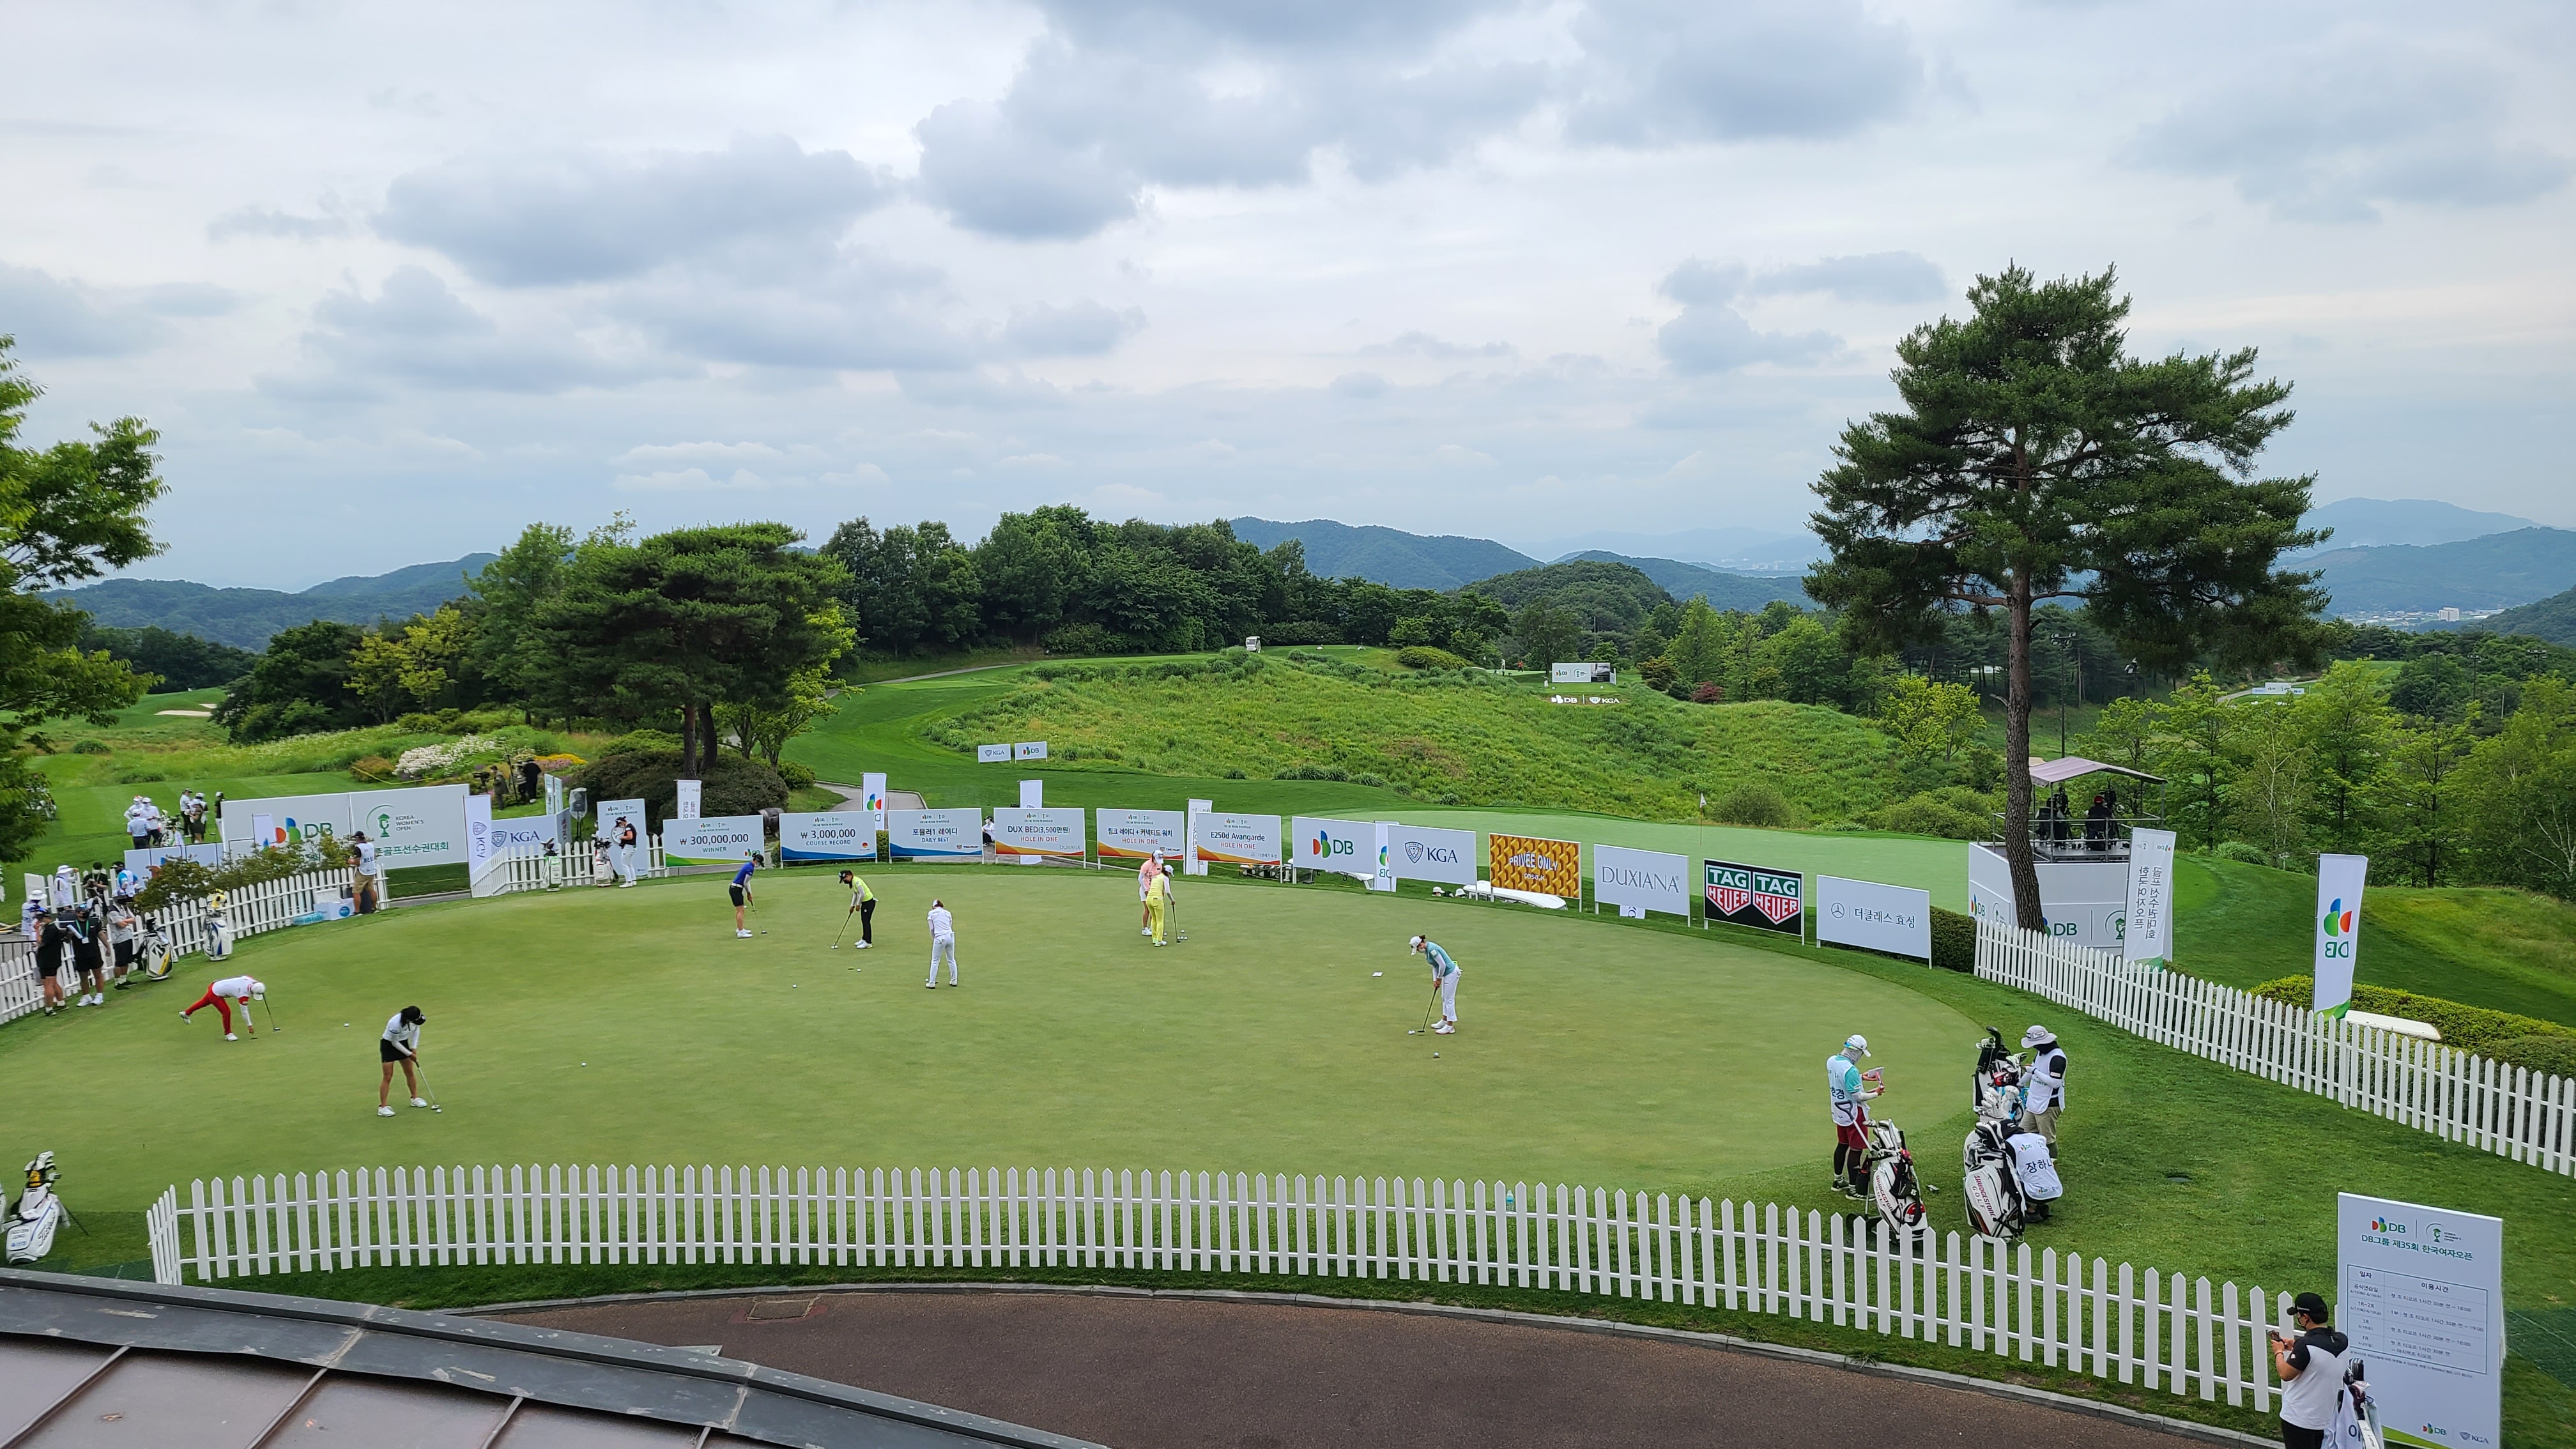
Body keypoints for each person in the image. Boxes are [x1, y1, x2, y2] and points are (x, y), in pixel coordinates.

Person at [2269, 1291, 2350, 1449]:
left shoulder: (2305, 1345)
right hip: (2324, 1417)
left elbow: (2285, 1374)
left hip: (2297, 1418)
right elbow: (2320, 1357)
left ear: (2305, 1318)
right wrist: (2296, 1346)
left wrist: (2279, 1352)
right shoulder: (2342, 1341)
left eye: (2298, 1315)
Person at [1827, 1034, 1884, 1200]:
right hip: (1854, 1113)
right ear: (1857, 1052)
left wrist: (1861, 1077)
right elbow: (1858, 1096)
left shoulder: (1832, 1061)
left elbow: (1842, 1079)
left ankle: (1838, 1181)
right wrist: (1875, 1093)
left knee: (1842, 1144)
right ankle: (1854, 1190)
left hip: (1839, 1111)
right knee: (1856, 1149)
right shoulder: (1851, 1070)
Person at [2018, 1024, 2067, 1152]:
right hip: (2034, 1102)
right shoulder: (2041, 1053)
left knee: (2047, 1139)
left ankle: (2051, 1161)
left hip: (2049, 1104)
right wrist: (2020, 1084)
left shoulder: (2057, 1058)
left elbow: (2055, 1083)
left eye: (2036, 1044)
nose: (2034, 1047)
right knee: (2023, 1133)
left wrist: (2035, 1071)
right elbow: (2032, 1069)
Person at [180, 973, 264, 1041]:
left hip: (215, 985)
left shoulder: (250, 979)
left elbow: (253, 982)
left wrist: (260, 989)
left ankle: (186, 1013)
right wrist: (249, 1025)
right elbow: (244, 1012)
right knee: (226, 1012)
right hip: (215, 993)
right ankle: (228, 1034)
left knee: (203, 1003)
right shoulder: (243, 995)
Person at [377, 1006, 429, 1116]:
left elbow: (416, 1031)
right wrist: (409, 1054)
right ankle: (383, 1107)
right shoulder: (395, 1023)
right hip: (389, 1045)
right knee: (388, 1076)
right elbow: (394, 1043)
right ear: (409, 1019)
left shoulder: (415, 1018)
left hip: (403, 1043)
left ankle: (415, 1098)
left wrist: (414, 1049)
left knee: (409, 1072)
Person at [1409, 934, 1461, 1033]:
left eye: (1418, 948)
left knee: (1449, 999)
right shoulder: (1427, 952)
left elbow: (1442, 965)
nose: (1419, 951)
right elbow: (1435, 966)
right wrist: (1435, 980)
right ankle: (1444, 1020)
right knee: (1444, 998)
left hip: (1452, 973)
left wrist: (1439, 978)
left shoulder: (1432, 950)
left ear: (1421, 944)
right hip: (1446, 974)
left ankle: (1450, 1026)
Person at [66, 908, 107, 1008]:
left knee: (98, 974)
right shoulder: (72, 925)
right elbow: (67, 941)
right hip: (80, 954)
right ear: (77, 914)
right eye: (83, 912)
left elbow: (101, 935)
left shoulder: (94, 922)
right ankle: (86, 996)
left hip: (94, 952)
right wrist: (69, 935)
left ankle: (99, 995)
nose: (86, 914)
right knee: (83, 976)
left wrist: (108, 947)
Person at [33, 908, 70, 1015]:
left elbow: (41, 943)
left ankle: (49, 1008)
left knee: (48, 984)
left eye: (40, 919)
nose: (39, 921)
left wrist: (37, 931)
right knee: (53, 982)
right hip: (52, 959)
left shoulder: (51, 929)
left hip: (48, 960)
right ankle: (61, 1003)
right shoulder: (51, 928)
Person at [106, 894, 139, 993]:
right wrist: (126, 921)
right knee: (120, 962)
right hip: (119, 939)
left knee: (126, 960)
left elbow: (133, 919)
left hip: (127, 936)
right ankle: (117, 982)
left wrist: (125, 920)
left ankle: (123, 979)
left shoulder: (124, 908)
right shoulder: (112, 911)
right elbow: (121, 924)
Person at [925, 898, 958, 988]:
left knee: (935, 960)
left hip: (940, 938)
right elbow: (950, 926)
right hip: (950, 937)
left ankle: (932, 983)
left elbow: (932, 929)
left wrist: (934, 938)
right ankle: (954, 980)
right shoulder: (948, 913)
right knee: (951, 959)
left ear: (933, 907)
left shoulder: (931, 914)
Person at [839, 869, 875, 947]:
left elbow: (862, 894)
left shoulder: (856, 881)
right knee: (864, 921)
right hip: (865, 903)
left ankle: (868, 943)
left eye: (845, 879)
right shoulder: (853, 882)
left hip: (869, 902)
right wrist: (852, 906)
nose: (845, 881)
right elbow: (855, 894)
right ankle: (864, 939)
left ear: (849, 876)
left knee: (866, 922)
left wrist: (858, 905)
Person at [729, 854, 759, 938]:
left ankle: (740, 929)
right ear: (756, 861)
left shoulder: (748, 865)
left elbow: (747, 882)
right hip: (736, 889)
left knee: (740, 910)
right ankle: (741, 932)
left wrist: (750, 893)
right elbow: (745, 883)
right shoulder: (750, 868)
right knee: (741, 910)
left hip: (735, 889)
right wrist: (748, 893)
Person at [1145, 868, 1172, 946]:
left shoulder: (1155, 877)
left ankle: (1154, 938)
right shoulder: (1165, 878)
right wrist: (1172, 900)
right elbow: (1167, 891)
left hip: (1149, 899)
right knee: (1160, 921)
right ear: (1168, 873)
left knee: (1154, 919)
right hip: (1157, 900)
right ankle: (1159, 941)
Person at [1137, 852, 1163, 936]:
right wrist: (1145, 890)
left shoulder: (1160, 865)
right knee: (1148, 909)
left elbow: (1159, 878)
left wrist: (1161, 889)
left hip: (1155, 890)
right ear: (1153, 858)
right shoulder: (1146, 865)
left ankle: (1153, 927)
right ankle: (1145, 929)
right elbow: (1140, 878)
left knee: (1154, 909)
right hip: (1145, 889)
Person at [615, 815, 640, 887]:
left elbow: (630, 837)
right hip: (632, 847)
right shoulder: (631, 826)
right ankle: (633, 880)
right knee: (629, 864)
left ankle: (628, 882)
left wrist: (622, 837)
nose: (620, 826)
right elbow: (636, 834)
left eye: (620, 824)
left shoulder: (628, 827)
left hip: (628, 847)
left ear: (622, 822)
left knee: (624, 864)